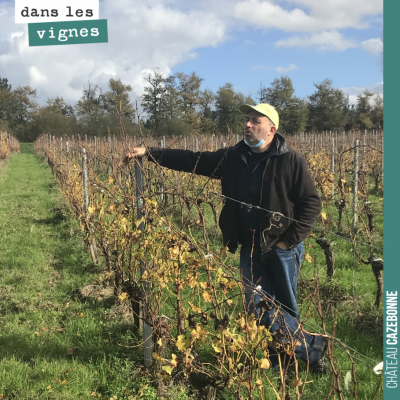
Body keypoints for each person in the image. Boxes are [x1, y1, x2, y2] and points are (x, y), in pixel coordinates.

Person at [124, 103, 327, 373]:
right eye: (247, 119)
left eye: (256, 121)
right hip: (250, 246)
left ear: (272, 129)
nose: (248, 125)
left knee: (285, 307)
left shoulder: (290, 160)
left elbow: (311, 204)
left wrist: (287, 241)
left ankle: (289, 358)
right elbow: (193, 160)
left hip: (282, 248)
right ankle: (312, 349)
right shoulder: (233, 157)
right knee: (257, 307)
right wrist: (150, 153)